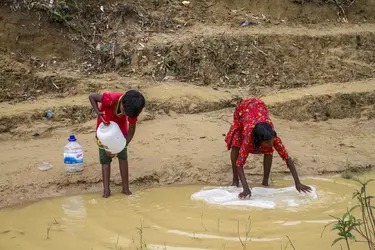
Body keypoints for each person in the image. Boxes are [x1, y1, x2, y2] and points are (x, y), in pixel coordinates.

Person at [225, 98, 312, 199]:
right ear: (258, 140)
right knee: (236, 142)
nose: (271, 143)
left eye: (271, 141)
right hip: (244, 109)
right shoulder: (248, 137)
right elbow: (239, 164)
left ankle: (265, 181)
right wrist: (246, 188)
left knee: (269, 150)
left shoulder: (273, 137)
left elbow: (287, 159)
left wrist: (298, 183)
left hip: (260, 108)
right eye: (267, 142)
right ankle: (235, 180)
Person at [89, 90, 145, 198]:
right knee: (105, 160)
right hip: (105, 129)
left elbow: (131, 129)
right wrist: (98, 112)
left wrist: (122, 146)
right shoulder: (110, 100)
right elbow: (92, 96)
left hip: (120, 130)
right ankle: (106, 191)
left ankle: (126, 189)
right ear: (122, 103)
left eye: (127, 114)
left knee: (123, 157)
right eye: (124, 111)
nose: (125, 114)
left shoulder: (132, 110)